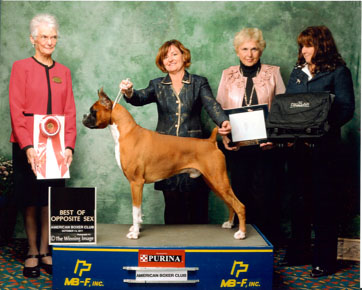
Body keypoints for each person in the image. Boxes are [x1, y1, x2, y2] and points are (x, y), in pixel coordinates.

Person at [119, 39, 231, 225]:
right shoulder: (156, 85)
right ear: (161, 63)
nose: (170, 59)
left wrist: (223, 121)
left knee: (196, 203)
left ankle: (198, 250)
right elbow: (139, 97)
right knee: (172, 204)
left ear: (184, 56)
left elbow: (211, 105)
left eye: (174, 54)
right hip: (164, 153)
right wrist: (129, 92)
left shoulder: (198, 82)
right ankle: (173, 249)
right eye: (165, 56)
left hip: (195, 151)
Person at [283, 25, 355, 277]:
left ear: (322, 46)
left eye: (309, 45)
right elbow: (289, 107)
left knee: (325, 205)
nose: (303, 51)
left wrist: (322, 126)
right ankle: (299, 253)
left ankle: (324, 260)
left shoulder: (339, 72)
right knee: (299, 202)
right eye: (301, 46)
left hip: (325, 149)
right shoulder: (296, 73)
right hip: (297, 148)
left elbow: (346, 108)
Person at [9, 14, 76, 278]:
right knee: (29, 200)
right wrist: (28, 147)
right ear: (33, 39)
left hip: (57, 146)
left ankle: (47, 250)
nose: (49, 42)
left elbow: (69, 111)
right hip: (27, 144)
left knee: (49, 200)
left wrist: (69, 146)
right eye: (44, 37)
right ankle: (32, 251)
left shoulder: (64, 72)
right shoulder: (21, 67)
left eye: (53, 37)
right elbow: (16, 110)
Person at [216, 28, 285, 243]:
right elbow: (218, 109)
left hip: (267, 146)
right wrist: (224, 134)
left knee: (267, 195)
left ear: (261, 50)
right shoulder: (227, 74)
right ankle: (243, 243)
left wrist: (275, 137)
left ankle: (266, 243)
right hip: (238, 147)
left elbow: (283, 109)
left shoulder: (273, 73)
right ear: (237, 51)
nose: (249, 54)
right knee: (240, 192)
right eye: (244, 49)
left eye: (254, 49)